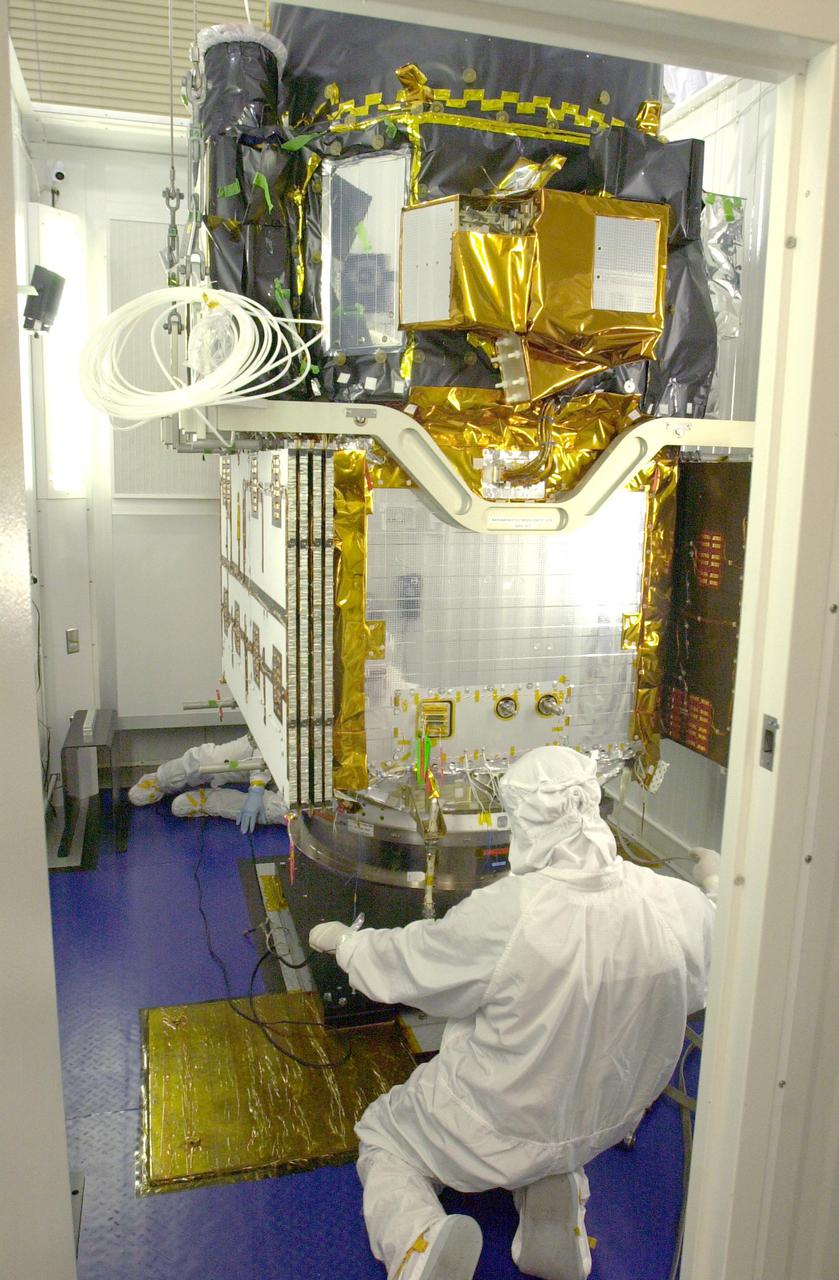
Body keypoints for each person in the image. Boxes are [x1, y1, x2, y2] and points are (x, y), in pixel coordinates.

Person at [310, 745, 718, 1280]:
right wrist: (715, 882)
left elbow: (413, 966)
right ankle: (555, 1216)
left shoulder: (512, 913)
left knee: (385, 1137)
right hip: (603, 1120)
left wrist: (347, 945)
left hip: (500, 1117)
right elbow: (723, 940)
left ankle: (416, 1248)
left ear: (522, 819)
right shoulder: (668, 904)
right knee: (551, 1151)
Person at [127, 733, 284, 833]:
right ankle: (162, 779)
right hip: (269, 744)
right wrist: (257, 787)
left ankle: (208, 801)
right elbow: (270, 738)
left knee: (281, 811)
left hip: (298, 781)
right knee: (211, 761)